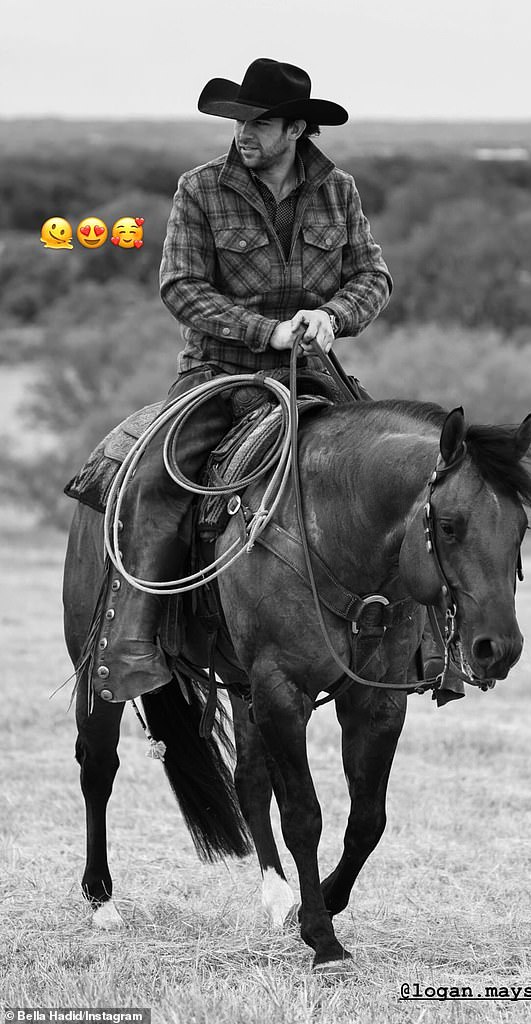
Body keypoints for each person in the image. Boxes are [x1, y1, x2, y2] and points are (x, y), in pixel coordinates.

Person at [91, 57, 393, 703]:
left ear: (296, 130)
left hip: (312, 373)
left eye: (259, 122)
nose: (243, 133)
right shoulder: (199, 188)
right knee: (154, 478)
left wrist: (331, 316)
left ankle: (415, 645)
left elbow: (373, 277)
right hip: (217, 374)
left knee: (398, 471)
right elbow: (182, 287)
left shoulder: (338, 190)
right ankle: (135, 643)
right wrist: (266, 331)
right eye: (239, 121)